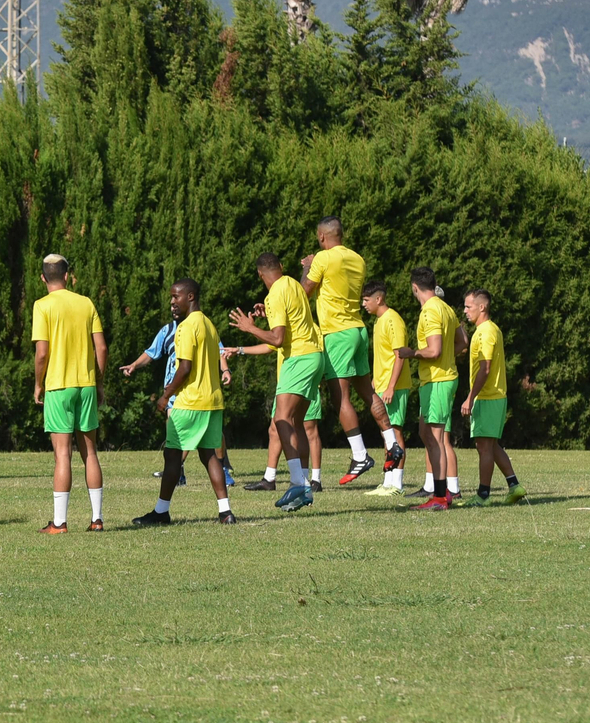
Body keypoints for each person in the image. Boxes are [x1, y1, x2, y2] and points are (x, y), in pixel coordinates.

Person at [300, 217, 400, 486]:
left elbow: (302, 293)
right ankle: (392, 443)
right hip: (358, 329)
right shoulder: (358, 259)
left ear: (322, 237)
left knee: (340, 396)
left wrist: (308, 267)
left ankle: (360, 454)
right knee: (367, 391)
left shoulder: (322, 258)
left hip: (337, 334)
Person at [132, 280, 234, 526]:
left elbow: (185, 367)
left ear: (190, 297)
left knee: (172, 455)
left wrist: (166, 396)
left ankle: (161, 512)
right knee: (210, 455)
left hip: (190, 402)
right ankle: (225, 512)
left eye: (176, 297)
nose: (172, 302)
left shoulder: (186, 327)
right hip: (212, 402)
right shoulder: (209, 325)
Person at [229, 252, 322, 512]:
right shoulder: (291, 283)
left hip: (299, 359)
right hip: (315, 357)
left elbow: (278, 339)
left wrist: (249, 327)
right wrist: (266, 310)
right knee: (298, 424)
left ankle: (297, 483)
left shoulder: (276, 294)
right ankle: (303, 486)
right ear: (280, 267)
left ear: (260, 274)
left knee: (281, 420)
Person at [31, 254, 108, 533]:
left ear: (43, 277)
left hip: (58, 387)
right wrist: (98, 382)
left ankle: (60, 523)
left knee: (62, 455)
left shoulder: (42, 306)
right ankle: (97, 519)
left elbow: (42, 353)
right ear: (67, 276)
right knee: (90, 453)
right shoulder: (85, 303)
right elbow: (101, 349)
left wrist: (38, 384)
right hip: (86, 385)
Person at [123, 312, 234, 488]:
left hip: (198, 390)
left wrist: (225, 370)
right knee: (175, 435)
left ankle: (223, 470)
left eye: (177, 299)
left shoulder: (203, 326)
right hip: (174, 391)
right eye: (172, 300)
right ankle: (177, 473)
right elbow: (152, 352)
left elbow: (218, 350)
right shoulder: (167, 331)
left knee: (210, 435)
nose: (173, 304)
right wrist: (134, 365)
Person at [396, 267, 466, 511]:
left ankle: (439, 497)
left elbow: (434, 350)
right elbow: (463, 342)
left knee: (435, 438)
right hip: (437, 380)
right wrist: (447, 356)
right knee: (426, 432)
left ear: (415, 288)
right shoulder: (446, 309)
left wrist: (411, 352)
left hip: (438, 381)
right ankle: (442, 490)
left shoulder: (430, 312)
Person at [458, 289, 527, 506]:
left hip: (489, 398)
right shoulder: (486, 330)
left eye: (469, 306)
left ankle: (483, 495)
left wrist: (470, 397)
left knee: (484, 447)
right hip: (491, 397)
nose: (465, 310)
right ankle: (514, 486)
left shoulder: (486, 332)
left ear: (482, 307)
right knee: (491, 445)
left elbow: (485, 369)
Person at [361, 281, 413, 497]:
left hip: (395, 387)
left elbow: (399, 355)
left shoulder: (393, 320)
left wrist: (391, 386)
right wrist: (375, 381)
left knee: (395, 432)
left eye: (366, 300)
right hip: (382, 386)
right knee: (387, 435)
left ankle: (397, 484)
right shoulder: (379, 321)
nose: (363, 304)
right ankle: (387, 482)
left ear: (378, 299)